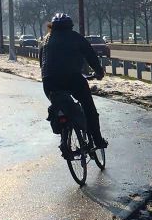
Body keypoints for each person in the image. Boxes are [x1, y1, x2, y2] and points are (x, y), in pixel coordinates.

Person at [39, 13, 107, 150]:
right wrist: (99, 72)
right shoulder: (76, 37)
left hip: (49, 82)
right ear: (70, 26)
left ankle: (64, 137)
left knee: (59, 105)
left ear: (52, 27)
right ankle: (98, 140)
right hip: (73, 79)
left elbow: (41, 63)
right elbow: (91, 56)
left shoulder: (45, 41)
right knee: (89, 109)